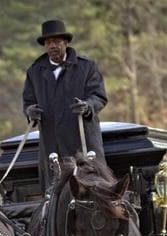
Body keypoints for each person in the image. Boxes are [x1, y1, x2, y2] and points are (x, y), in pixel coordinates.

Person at [23, 19, 108, 188]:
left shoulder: (87, 67)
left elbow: (99, 96)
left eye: (57, 42)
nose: (52, 46)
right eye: (48, 43)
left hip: (84, 144)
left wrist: (87, 106)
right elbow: (28, 102)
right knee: (55, 195)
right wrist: (30, 111)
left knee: (93, 191)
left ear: (66, 43)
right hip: (52, 146)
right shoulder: (34, 72)